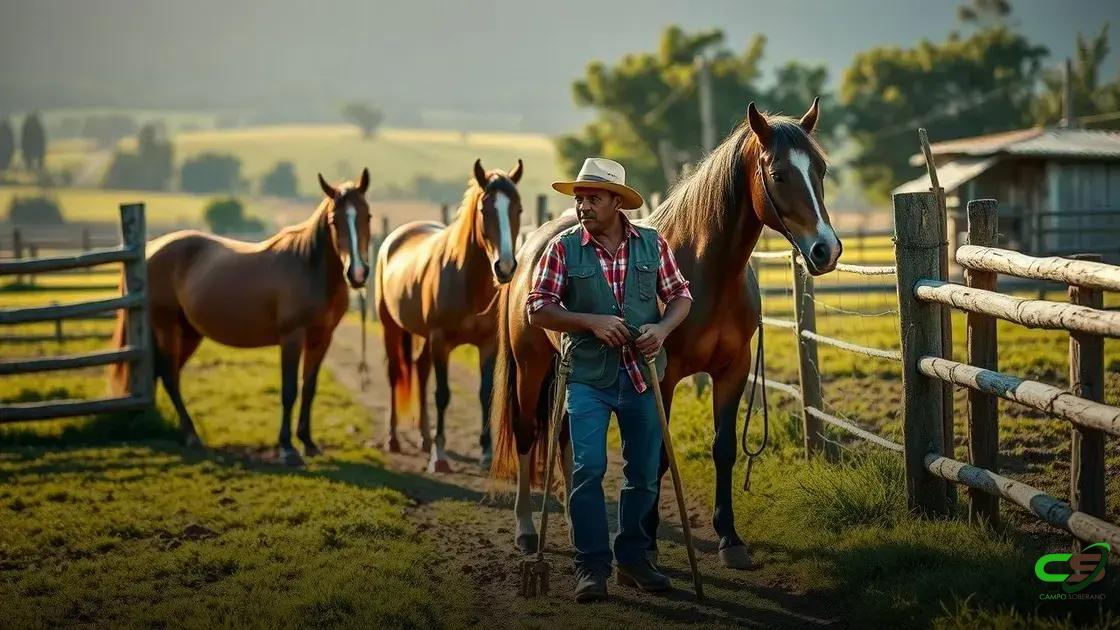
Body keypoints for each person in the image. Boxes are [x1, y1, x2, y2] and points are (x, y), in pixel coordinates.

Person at [526, 157, 692, 603]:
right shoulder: (562, 249)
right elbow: (537, 307)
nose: (583, 207)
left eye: (593, 199)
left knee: (644, 472)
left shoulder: (653, 244)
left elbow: (680, 295)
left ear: (617, 202)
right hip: (587, 378)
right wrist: (589, 322)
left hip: (643, 376)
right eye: (579, 199)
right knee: (588, 470)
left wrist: (662, 329)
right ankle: (591, 567)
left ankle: (633, 560)